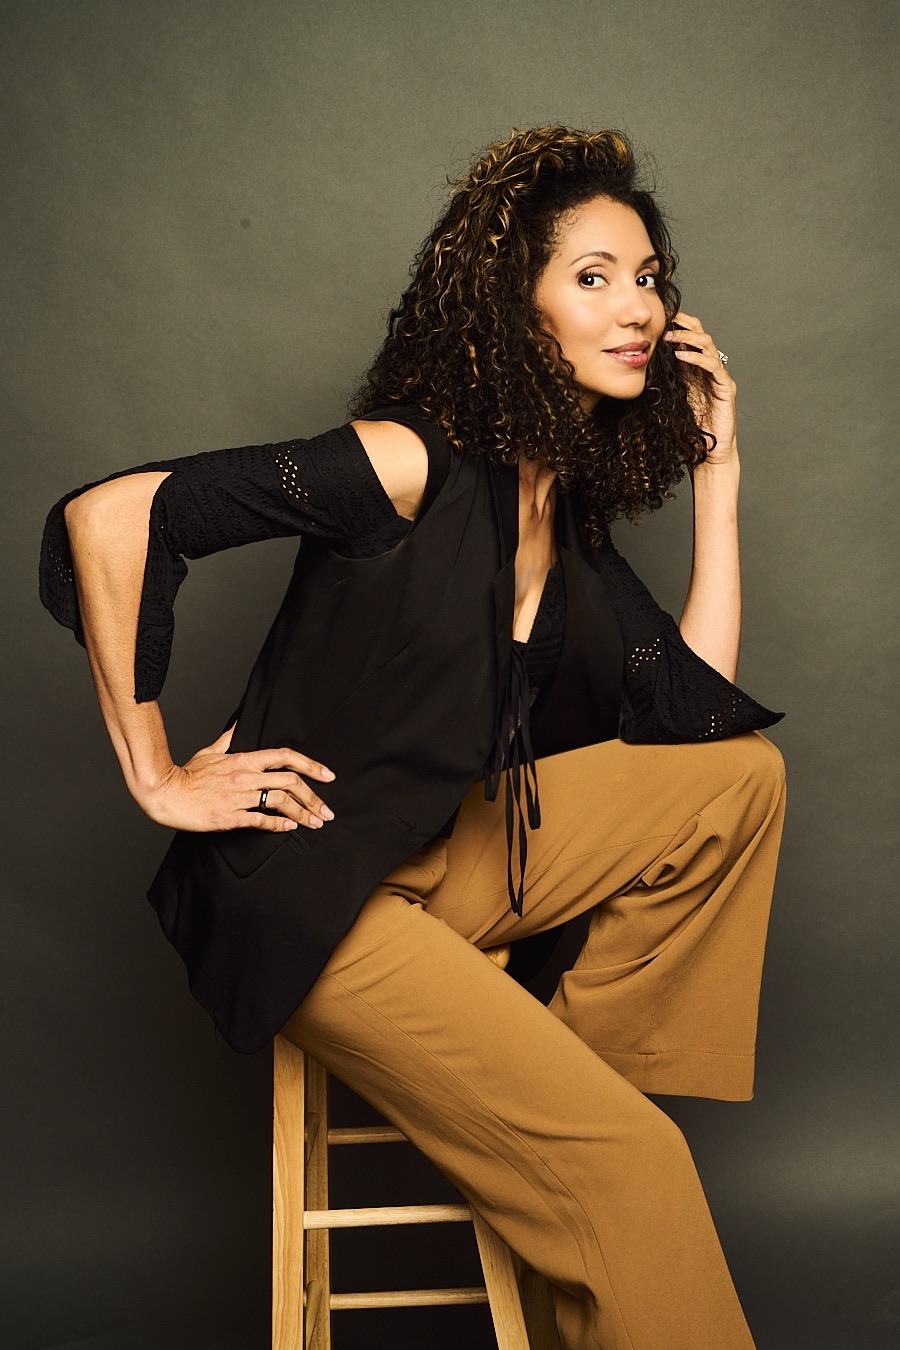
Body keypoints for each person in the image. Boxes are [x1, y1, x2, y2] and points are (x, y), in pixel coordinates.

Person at [40, 126, 786, 1349]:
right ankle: (600, 1154)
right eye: (592, 276)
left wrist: (720, 475)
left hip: (438, 854)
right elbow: (112, 518)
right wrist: (157, 774)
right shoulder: (407, 459)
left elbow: (695, 713)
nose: (638, 307)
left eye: (648, 277)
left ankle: (575, 1088)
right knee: (640, 1168)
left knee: (739, 781)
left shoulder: (558, 504)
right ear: (512, 303)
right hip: (313, 893)